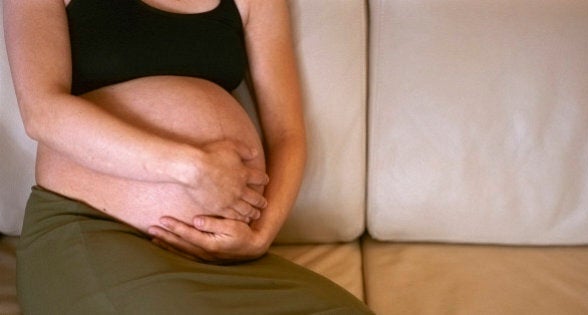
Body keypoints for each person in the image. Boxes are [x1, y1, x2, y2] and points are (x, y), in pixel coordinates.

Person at [3, 0, 374, 314]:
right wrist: (191, 169)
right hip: (92, 228)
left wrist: (261, 235)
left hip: (222, 255)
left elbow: (287, 134)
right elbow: (43, 113)